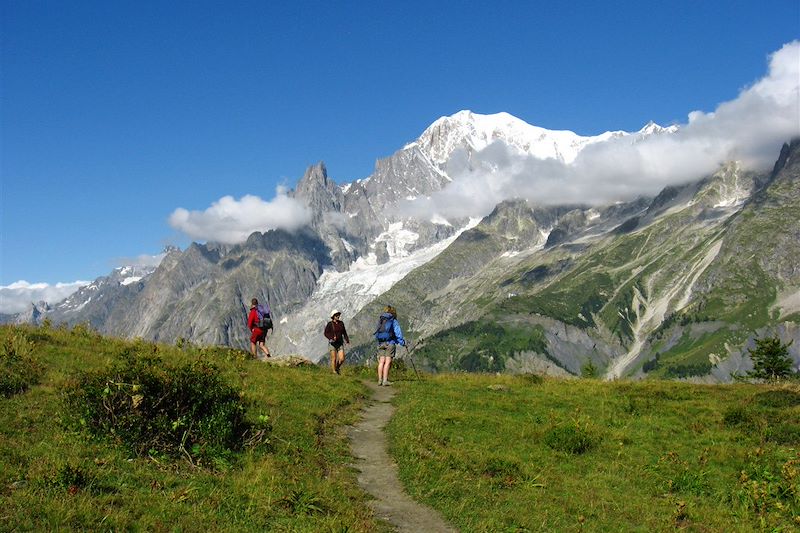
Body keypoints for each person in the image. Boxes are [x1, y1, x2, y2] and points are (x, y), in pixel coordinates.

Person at [375, 305, 405, 386]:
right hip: (390, 343)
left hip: (381, 342)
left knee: (381, 362)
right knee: (387, 362)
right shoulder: (393, 321)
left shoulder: (381, 320)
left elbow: (377, 331)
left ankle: (379, 380)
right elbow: (398, 333)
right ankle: (385, 381)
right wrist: (402, 342)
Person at [324, 310, 350, 374]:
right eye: (336, 315)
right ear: (333, 316)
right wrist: (331, 338)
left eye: (338, 315)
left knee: (342, 359)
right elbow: (326, 333)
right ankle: (334, 372)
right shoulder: (330, 324)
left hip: (340, 343)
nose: (338, 316)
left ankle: (337, 368)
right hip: (332, 343)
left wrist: (347, 340)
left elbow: (344, 332)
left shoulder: (341, 323)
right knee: (334, 359)